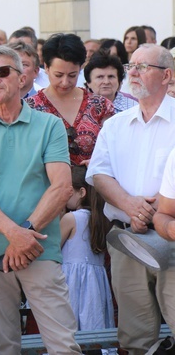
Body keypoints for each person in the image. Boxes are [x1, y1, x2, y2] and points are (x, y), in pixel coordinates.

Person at [0, 45, 82, 354]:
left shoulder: (49, 125)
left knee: (63, 344)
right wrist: (15, 234)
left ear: (22, 76)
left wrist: (25, 234)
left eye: (2, 72)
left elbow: (62, 187)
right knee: (4, 346)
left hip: (39, 247)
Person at [86, 44, 175, 353]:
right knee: (135, 337)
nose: (133, 73)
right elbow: (98, 174)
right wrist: (131, 206)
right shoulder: (115, 125)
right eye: (131, 66)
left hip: (172, 239)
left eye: (142, 67)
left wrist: (156, 211)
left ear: (166, 75)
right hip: (127, 238)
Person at [26, 33, 114, 166]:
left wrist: (98, 162)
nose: (65, 82)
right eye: (58, 75)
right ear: (47, 68)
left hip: (94, 182)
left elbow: (115, 148)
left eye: (72, 75)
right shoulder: (29, 108)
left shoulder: (100, 105)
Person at [59, 166, 114, 333]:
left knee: (70, 325)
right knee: (93, 318)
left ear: (81, 192)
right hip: (95, 282)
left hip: (72, 281)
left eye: (68, 191)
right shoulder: (102, 219)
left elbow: (54, 248)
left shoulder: (71, 218)